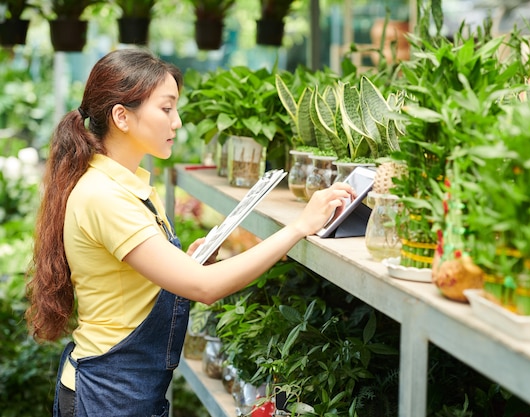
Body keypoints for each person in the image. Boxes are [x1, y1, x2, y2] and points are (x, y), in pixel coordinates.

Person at [25, 48, 355, 417]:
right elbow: (204, 287)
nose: (177, 122)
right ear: (122, 116)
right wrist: (299, 226)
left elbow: (130, 283)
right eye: (166, 109)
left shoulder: (128, 186)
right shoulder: (105, 196)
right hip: (107, 393)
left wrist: (183, 263)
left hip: (124, 389)